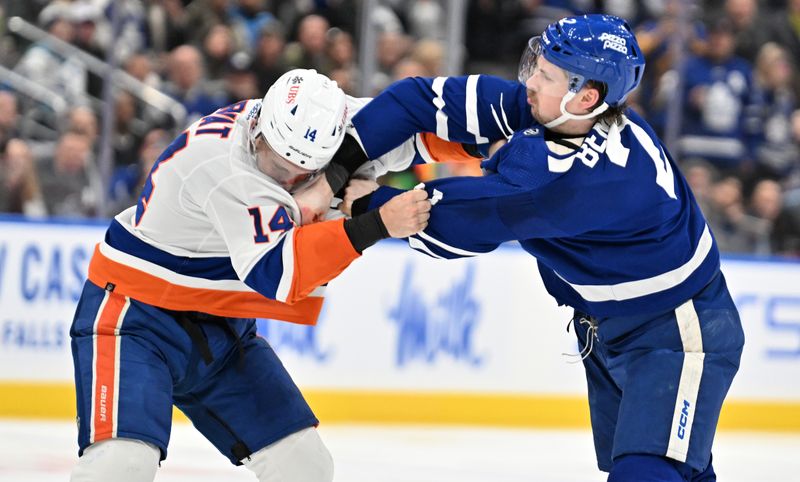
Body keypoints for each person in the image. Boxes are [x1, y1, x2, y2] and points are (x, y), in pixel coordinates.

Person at [302, 14, 744, 482]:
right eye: (538, 65)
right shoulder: (564, 113)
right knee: (675, 470)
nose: (530, 81)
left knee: (647, 470)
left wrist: (367, 202)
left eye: (546, 75)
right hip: (620, 326)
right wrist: (336, 169)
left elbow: (453, 223)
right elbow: (418, 100)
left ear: (586, 95)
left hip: (677, 332)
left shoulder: (571, 180)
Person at [69, 68, 431, 482]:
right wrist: (375, 222)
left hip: (222, 326)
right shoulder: (221, 163)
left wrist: (505, 130)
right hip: (137, 321)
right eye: (279, 166)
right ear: (258, 127)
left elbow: (418, 123)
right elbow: (282, 275)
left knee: (305, 466)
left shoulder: (328, 117)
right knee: (122, 464)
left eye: (305, 171)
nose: (290, 182)